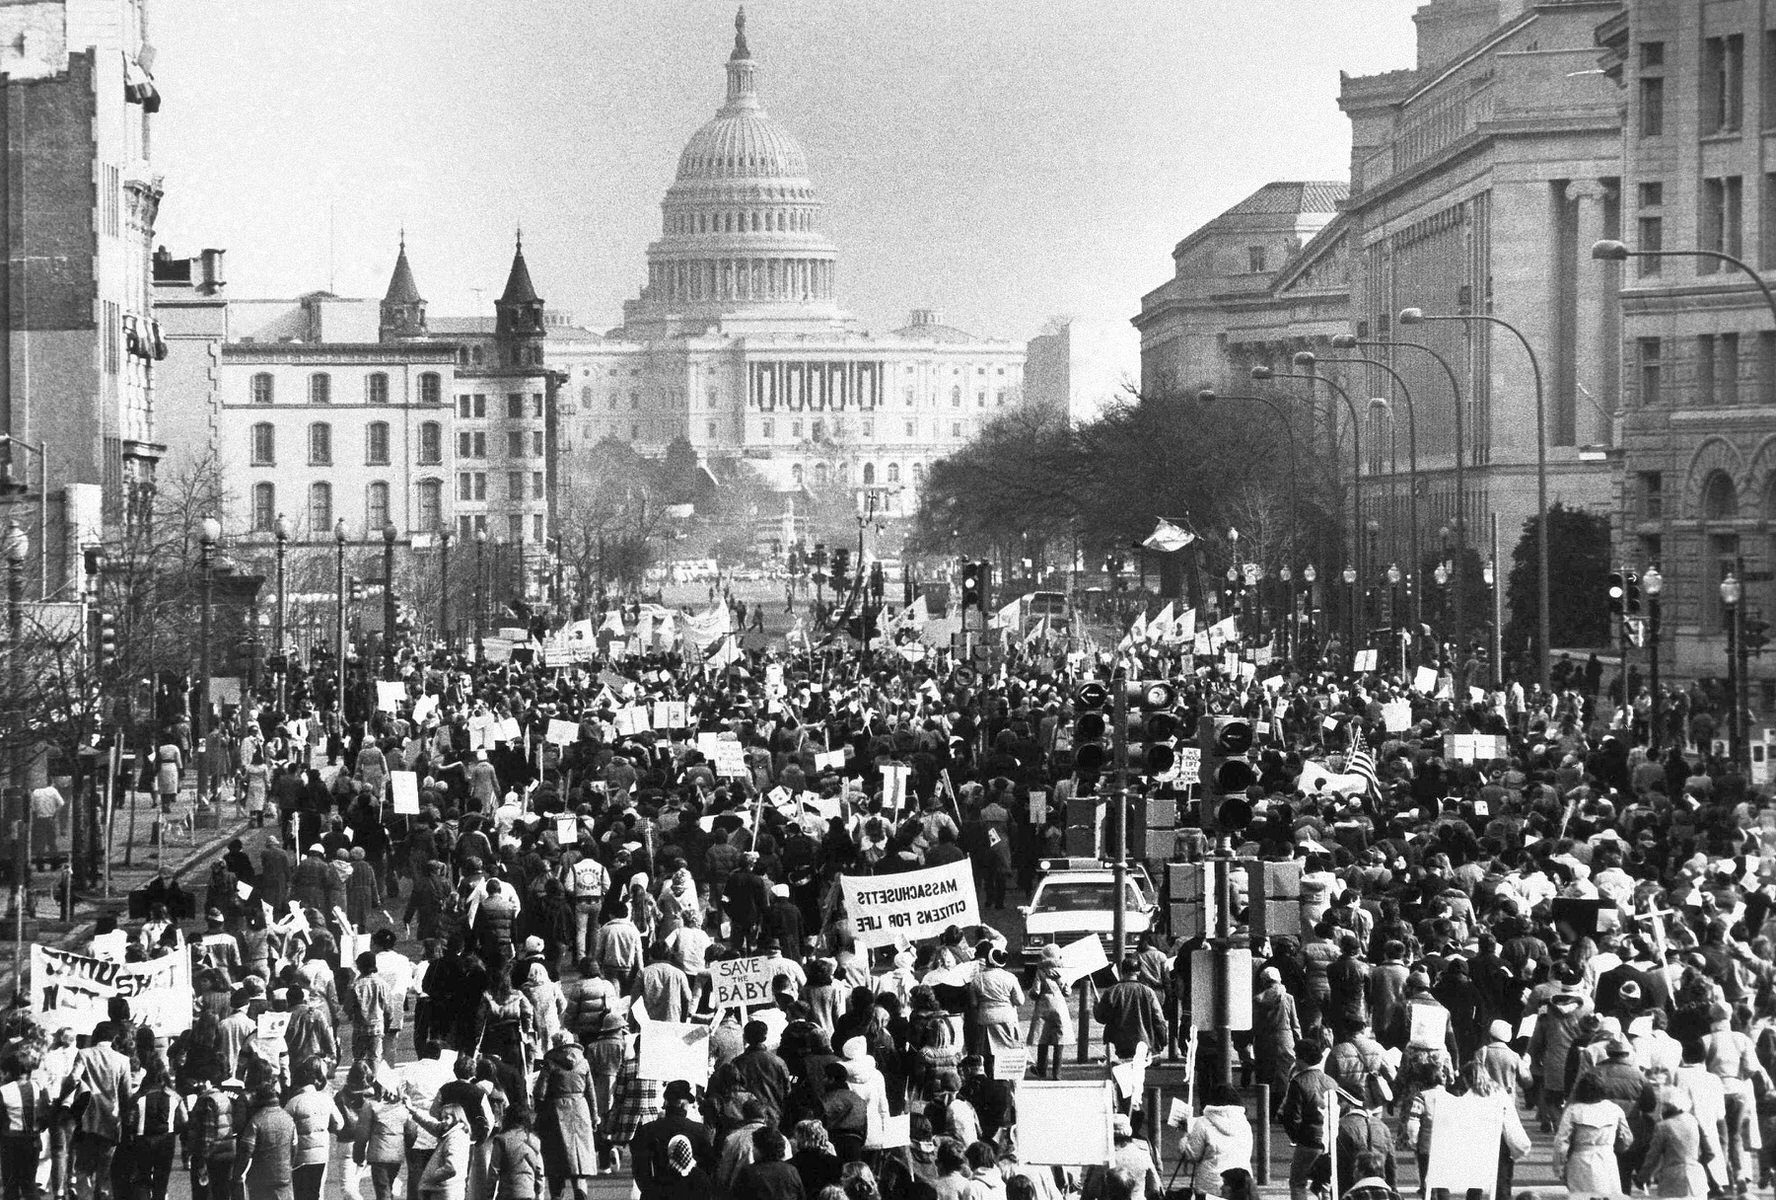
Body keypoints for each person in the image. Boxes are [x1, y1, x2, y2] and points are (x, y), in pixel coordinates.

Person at [534, 1031, 600, 1198]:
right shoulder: (583, 1062)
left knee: (557, 1158)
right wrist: (594, 1116)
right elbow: (591, 1092)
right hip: (580, 1109)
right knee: (579, 1157)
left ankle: (557, 1195)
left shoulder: (549, 1063)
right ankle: (580, 1191)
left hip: (555, 1111)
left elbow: (540, 1092)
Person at [1553, 1074, 1632, 1196]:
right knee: (1609, 1195)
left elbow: (1561, 1142)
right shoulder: (1614, 1109)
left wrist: (1559, 1167)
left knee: (1582, 1196)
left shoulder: (1574, 1110)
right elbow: (1627, 1138)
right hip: (1607, 1158)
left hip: (1580, 1159)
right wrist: (1617, 1148)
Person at [1178, 1085, 1253, 1200]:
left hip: (1210, 1186)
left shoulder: (1203, 1123)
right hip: (1240, 1184)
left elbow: (1192, 1155)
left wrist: (1184, 1139)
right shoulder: (1244, 1124)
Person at [285, 1059, 345, 1200]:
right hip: (321, 1155)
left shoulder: (293, 1103)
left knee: (301, 1194)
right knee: (317, 1192)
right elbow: (339, 1124)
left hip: (300, 1157)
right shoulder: (326, 1099)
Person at [234, 1084, 298, 1200]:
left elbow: (246, 1151)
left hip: (261, 1179)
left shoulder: (256, 1121)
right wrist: (288, 1166)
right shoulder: (288, 1119)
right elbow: (294, 1148)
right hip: (284, 1177)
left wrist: (238, 1172)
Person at [733, 1126, 805, 1200]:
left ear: (761, 1149)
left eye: (755, 1146)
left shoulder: (748, 1172)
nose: (753, 1150)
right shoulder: (791, 1171)